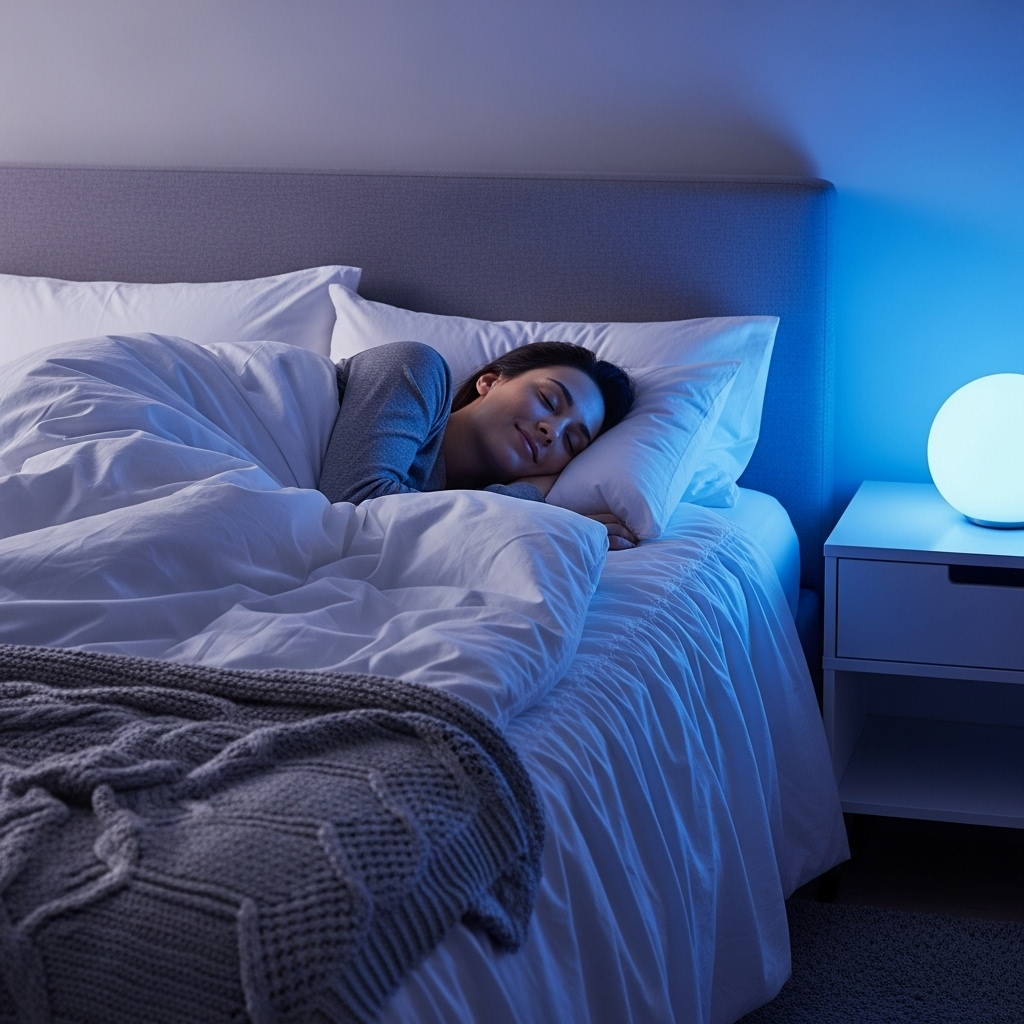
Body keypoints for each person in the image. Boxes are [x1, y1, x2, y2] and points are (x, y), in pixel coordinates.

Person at [317, 340, 638, 549]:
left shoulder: (458, 507)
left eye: (571, 441)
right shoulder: (417, 366)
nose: (551, 431)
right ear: (490, 380)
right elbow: (351, 512)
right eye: (547, 400)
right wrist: (532, 505)